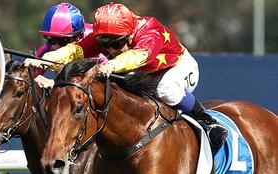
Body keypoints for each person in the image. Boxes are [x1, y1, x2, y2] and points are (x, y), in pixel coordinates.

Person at [26, 2, 227, 151]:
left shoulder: (150, 31)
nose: (111, 49)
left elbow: (138, 56)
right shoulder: (106, 35)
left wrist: (112, 64)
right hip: (142, 73)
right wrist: (48, 60)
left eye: (117, 44)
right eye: (104, 45)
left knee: (165, 89)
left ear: (130, 34)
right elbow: (75, 50)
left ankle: (207, 121)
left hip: (176, 67)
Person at [32, 3, 92, 88]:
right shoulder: (45, 49)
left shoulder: (91, 40)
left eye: (61, 41)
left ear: (78, 37)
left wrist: (54, 83)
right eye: (51, 40)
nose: (54, 46)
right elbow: (30, 78)